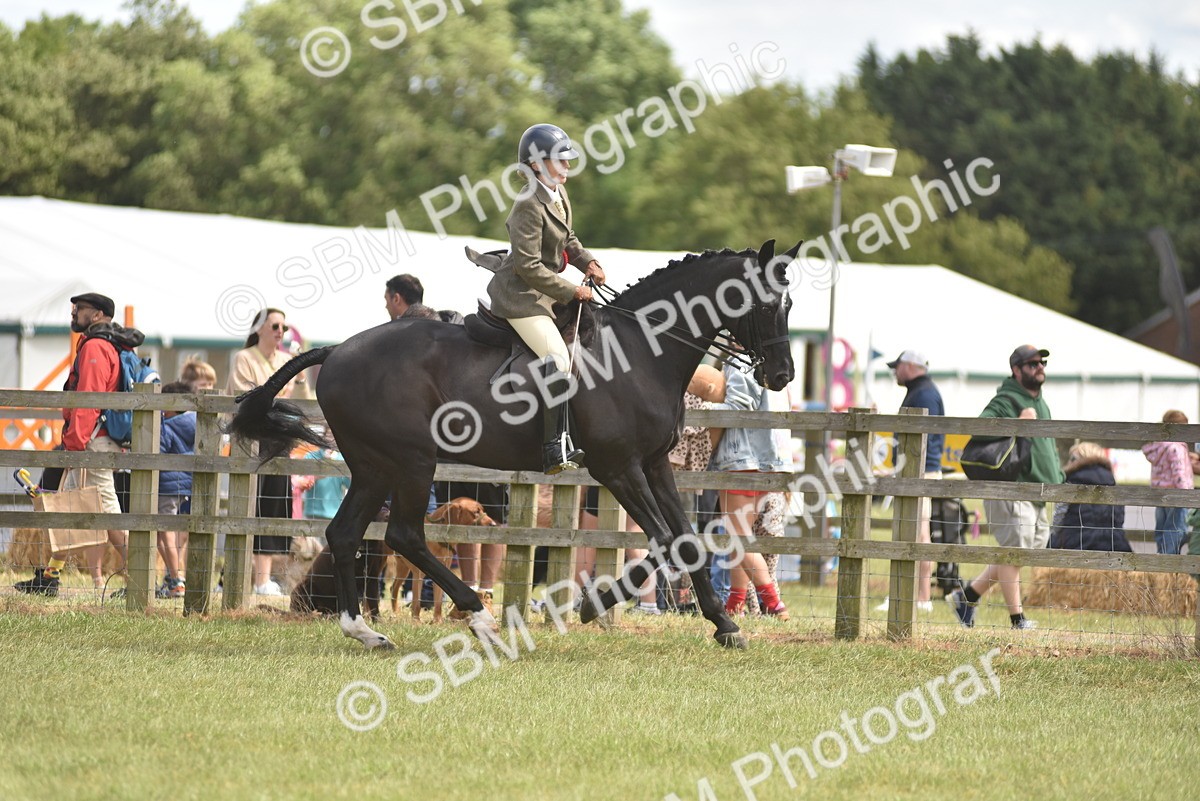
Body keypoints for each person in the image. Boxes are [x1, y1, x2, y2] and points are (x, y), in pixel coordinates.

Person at [485, 123, 605, 474]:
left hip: (545, 292)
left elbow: (569, 239)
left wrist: (589, 261)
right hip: (521, 296)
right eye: (560, 161)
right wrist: (572, 290)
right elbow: (527, 266)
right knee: (557, 357)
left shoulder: (558, 194)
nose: (568, 167)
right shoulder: (527, 203)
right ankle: (553, 447)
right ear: (536, 165)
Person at [16, 293, 133, 596]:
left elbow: (87, 401)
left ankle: (140, 578)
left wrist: (74, 443)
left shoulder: (95, 346)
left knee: (108, 512)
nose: (73, 313)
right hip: (93, 439)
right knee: (70, 509)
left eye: (79, 309)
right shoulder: (104, 343)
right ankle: (51, 577)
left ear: (96, 315)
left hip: (90, 441)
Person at [947, 345, 1064, 630]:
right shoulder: (1006, 399)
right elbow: (981, 427)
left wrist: (1058, 475)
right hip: (1013, 489)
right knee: (1013, 552)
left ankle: (967, 597)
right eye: (1032, 363)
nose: (1039, 367)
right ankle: (1017, 620)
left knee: (1019, 554)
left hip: (1037, 492)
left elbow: (1047, 445)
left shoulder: (1041, 402)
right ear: (1016, 369)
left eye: (1041, 363)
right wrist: (1016, 423)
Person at [226, 308, 303, 595]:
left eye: (283, 326)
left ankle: (262, 579)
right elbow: (247, 394)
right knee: (248, 503)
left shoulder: (288, 361)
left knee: (274, 505)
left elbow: (297, 401)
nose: (280, 331)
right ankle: (254, 579)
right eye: (274, 325)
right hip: (252, 439)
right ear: (259, 328)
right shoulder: (244, 358)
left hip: (280, 439)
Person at [707, 362, 790, 620]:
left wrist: (703, 408)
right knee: (741, 538)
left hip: (741, 459)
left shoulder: (739, 364)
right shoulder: (775, 364)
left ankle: (774, 604)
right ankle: (735, 602)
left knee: (739, 538)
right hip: (769, 459)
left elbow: (739, 406)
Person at [876, 350, 943, 614]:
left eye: (898, 366)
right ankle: (915, 596)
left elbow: (921, 439)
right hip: (915, 471)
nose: (895, 371)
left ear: (911, 366)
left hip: (919, 473)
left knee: (916, 534)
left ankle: (919, 597)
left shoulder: (923, 393)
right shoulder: (921, 390)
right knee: (915, 532)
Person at [1050, 442, 1131, 552]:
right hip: (1113, 544)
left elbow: (1059, 516)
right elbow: (1119, 518)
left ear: (1080, 459)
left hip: (1077, 544)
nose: (1069, 462)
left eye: (1072, 458)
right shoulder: (1112, 482)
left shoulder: (1072, 482)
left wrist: (1054, 536)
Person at [156, 381, 196, 598]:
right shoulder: (196, 423)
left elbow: (159, 454)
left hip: (166, 486)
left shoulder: (167, 426)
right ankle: (175, 576)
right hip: (185, 486)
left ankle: (176, 578)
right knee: (166, 533)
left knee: (166, 534)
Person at [1141, 410, 1195, 554]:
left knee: (1162, 528)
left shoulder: (1158, 446)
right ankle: (1169, 560)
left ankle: (1161, 556)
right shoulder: (1175, 447)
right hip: (1177, 494)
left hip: (1159, 494)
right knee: (1177, 529)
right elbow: (1178, 472)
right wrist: (1185, 494)